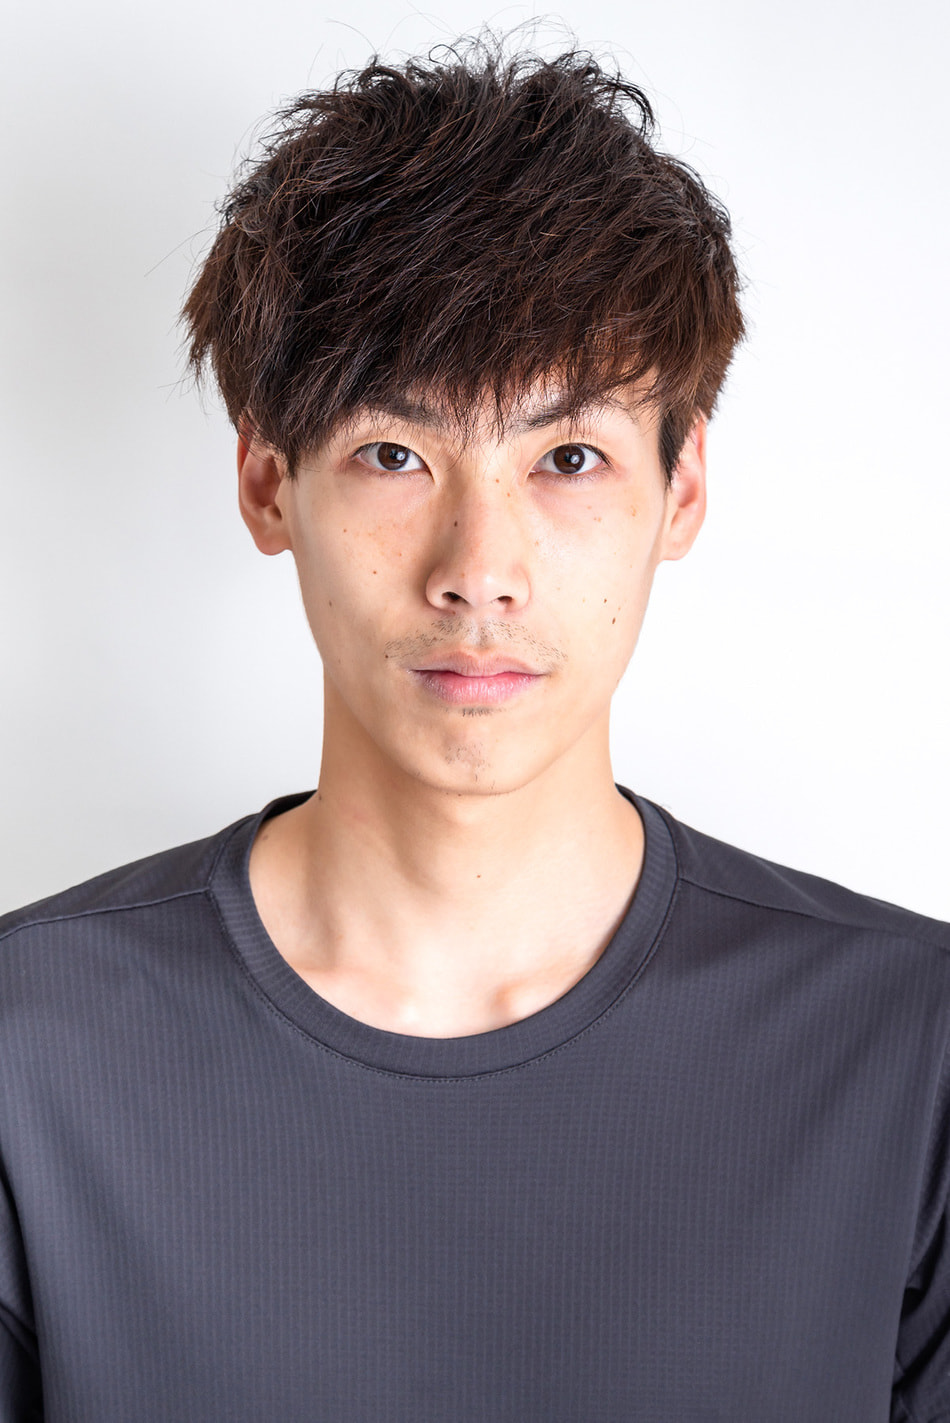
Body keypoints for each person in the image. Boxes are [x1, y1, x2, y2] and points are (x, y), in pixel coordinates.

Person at [0, 38, 947, 1422]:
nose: (479, 569)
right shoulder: (32, 1051)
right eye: (395, 454)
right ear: (267, 481)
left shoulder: (910, 1051)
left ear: (681, 490)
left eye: (568, 459)